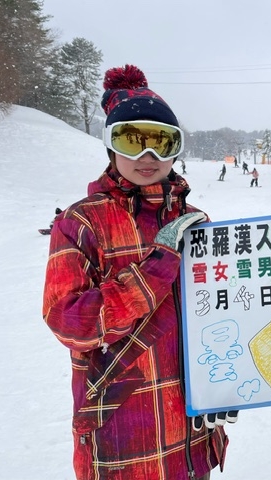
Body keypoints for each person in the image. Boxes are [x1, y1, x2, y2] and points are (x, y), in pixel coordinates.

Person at [42, 64, 234, 480]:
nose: (147, 157)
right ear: (111, 146)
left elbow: (219, 312)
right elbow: (67, 322)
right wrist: (156, 267)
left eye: (162, 142)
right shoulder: (81, 224)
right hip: (123, 439)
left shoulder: (196, 221)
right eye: (132, 140)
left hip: (191, 437)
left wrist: (226, 378)